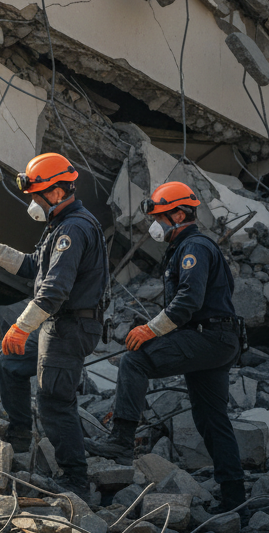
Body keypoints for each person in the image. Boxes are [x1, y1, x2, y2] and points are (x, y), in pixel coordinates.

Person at [88, 182, 245, 512]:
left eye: (159, 217)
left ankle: (120, 441)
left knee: (135, 362)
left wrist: (150, 329)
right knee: (211, 418)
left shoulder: (194, 248)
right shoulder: (190, 247)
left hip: (208, 337)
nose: (154, 225)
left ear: (178, 213)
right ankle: (234, 499)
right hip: (218, 340)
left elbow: (189, 300)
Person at [0, 153, 108, 498]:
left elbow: (54, 290)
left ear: (57, 193)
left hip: (70, 328)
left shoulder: (73, 229)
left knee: (54, 401)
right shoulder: (60, 225)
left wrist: (21, 327)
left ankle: (75, 480)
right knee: (12, 364)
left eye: (36, 195)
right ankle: (18, 436)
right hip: (57, 324)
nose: (32, 202)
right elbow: (34, 267)